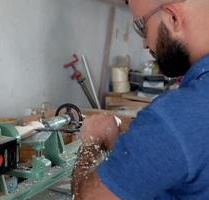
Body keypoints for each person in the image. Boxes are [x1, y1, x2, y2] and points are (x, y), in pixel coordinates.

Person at [72, 0, 209, 199]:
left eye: (141, 27)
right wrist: (130, 150)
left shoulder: (174, 117)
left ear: (173, 18)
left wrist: (92, 143)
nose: (144, 43)